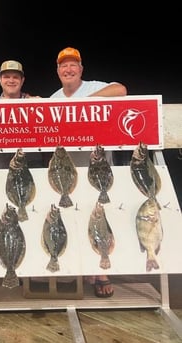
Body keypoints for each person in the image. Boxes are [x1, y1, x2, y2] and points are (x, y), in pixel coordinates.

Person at [50, 46, 127, 298]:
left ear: (81, 69)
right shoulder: (55, 98)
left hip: (98, 172)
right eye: (64, 66)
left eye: (73, 65)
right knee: (73, 219)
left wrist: (85, 102)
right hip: (69, 174)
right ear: (58, 71)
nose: (68, 69)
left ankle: (102, 273)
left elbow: (121, 90)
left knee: (100, 219)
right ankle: (83, 269)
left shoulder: (93, 87)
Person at [0, 60, 48, 169]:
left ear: (22, 80)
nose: (11, 80)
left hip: (31, 165)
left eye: (15, 77)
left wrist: (42, 105)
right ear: (0, 80)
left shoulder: (35, 105)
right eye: (6, 77)